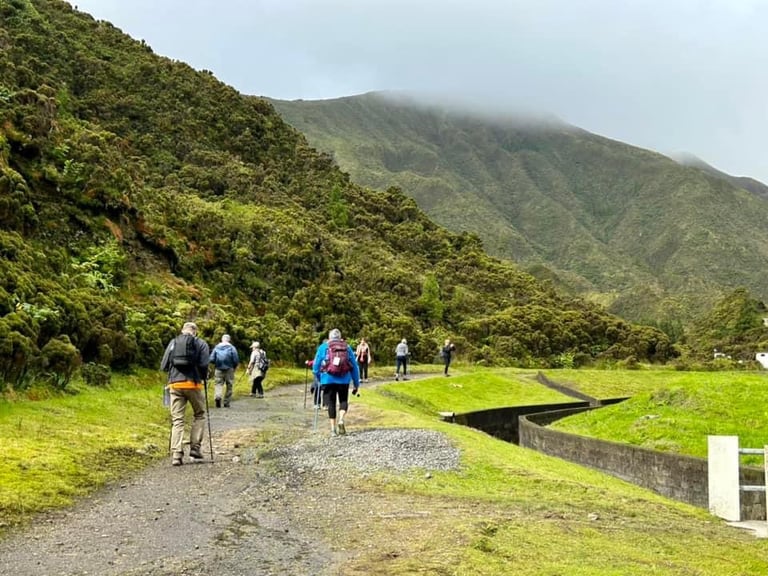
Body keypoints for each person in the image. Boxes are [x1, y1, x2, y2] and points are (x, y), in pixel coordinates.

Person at [160, 322, 210, 466]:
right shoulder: (201, 343)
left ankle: (176, 454)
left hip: (175, 384)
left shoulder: (173, 342)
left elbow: (164, 365)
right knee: (199, 414)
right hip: (193, 384)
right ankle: (195, 448)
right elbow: (204, 364)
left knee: (177, 420)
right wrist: (203, 376)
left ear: (182, 331)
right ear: (195, 332)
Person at [312, 329, 360, 436]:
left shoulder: (323, 347)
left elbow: (316, 366)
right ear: (340, 337)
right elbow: (354, 367)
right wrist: (356, 383)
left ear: (329, 337)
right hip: (344, 379)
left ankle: (333, 430)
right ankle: (341, 420)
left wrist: (318, 377)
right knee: (343, 400)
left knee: (331, 403)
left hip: (328, 379)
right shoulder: (347, 347)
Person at [209, 334, 239, 408]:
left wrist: (216, 363)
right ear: (229, 340)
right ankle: (226, 402)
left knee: (218, 384)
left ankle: (218, 396)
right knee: (229, 385)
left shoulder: (216, 347)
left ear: (222, 339)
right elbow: (236, 359)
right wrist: (234, 366)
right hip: (229, 369)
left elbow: (211, 359)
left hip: (218, 368)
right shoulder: (232, 348)